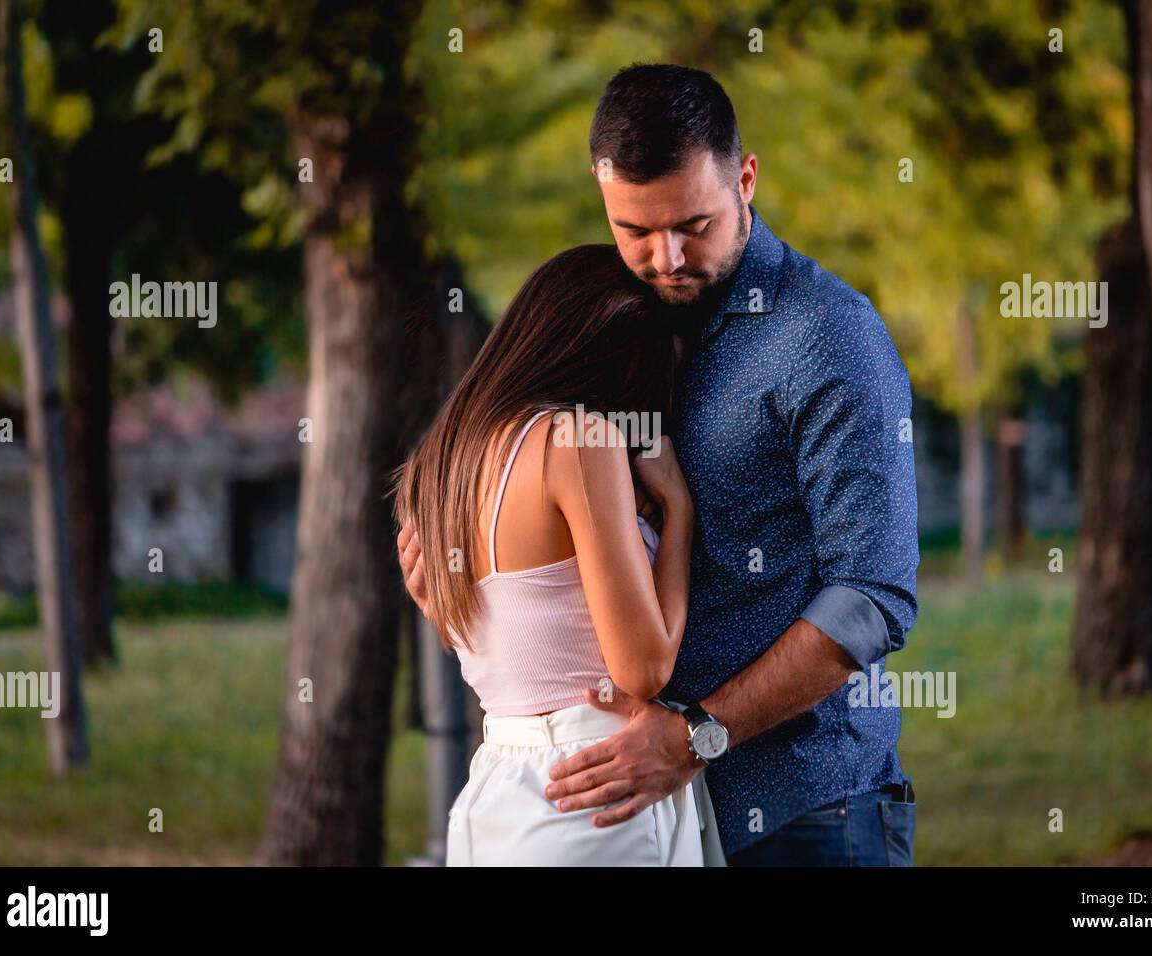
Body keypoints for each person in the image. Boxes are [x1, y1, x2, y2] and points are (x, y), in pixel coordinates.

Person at [401, 64, 920, 867]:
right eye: (635, 231)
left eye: (693, 224)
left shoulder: (829, 337)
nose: (666, 256)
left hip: (807, 810)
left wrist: (698, 735)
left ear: (745, 179)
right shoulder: (613, 329)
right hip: (641, 817)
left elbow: (873, 597)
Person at [394, 244, 723, 866]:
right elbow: (643, 670)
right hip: (598, 784)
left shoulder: (442, 460)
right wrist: (677, 515)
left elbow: (496, 635)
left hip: (500, 787)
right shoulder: (577, 439)